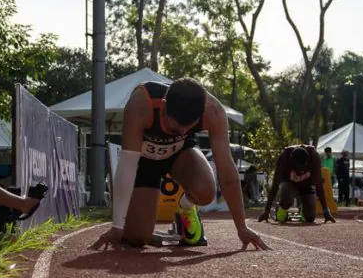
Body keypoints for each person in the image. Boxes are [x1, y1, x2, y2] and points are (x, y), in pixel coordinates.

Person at [90, 78, 270, 250]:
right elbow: (127, 166)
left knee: (206, 190)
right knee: (137, 238)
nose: (182, 131)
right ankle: (135, 227)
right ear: (163, 105)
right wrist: (117, 226)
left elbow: (226, 168)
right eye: (175, 127)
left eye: (189, 127)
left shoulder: (213, 111)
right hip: (144, 162)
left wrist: (242, 228)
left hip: (180, 155)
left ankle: (184, 208)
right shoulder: (140, 104)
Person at [258, 145, 336, 224]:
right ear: (291, 161)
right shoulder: (283, 159)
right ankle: (282, 209)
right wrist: (267, 210)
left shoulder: (315, 158)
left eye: (303, 168)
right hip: (289, 184)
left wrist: (326, 211)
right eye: (297, 168)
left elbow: (319, 185)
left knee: (310, 218)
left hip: (307, 185)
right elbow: (275, 184)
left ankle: (303, 209)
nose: (300, 172)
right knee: (286, 194)